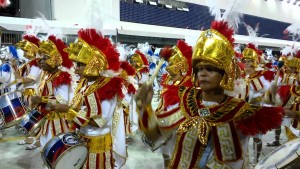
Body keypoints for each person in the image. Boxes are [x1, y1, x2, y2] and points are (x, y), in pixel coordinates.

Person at [135, 20, 283, 169]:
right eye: (199, 69)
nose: (203, 73)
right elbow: (156, 135)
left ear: (225, 74)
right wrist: (143, 108)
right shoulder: (187, 102)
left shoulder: (239, 112)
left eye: (210, 69)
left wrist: (268, 99)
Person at [54, 28, 127, 169]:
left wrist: (68, 110)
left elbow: (99, 121)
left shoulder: (107, 88)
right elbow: (80, 107)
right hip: (82, 139)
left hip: (98, 144)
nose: (76, 69)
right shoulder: (84, 83)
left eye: (80, 64)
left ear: (93, 63)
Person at [29, 35, 73, 150]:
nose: (40, 62)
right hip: (46, 119)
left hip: (57, 122)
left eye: (44, 59)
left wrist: (41, 100)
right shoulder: (47, 75)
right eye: (40, 59)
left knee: (56, 151)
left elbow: (62, 100)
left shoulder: (61, 76)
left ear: (53, 59)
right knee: (46, 148)